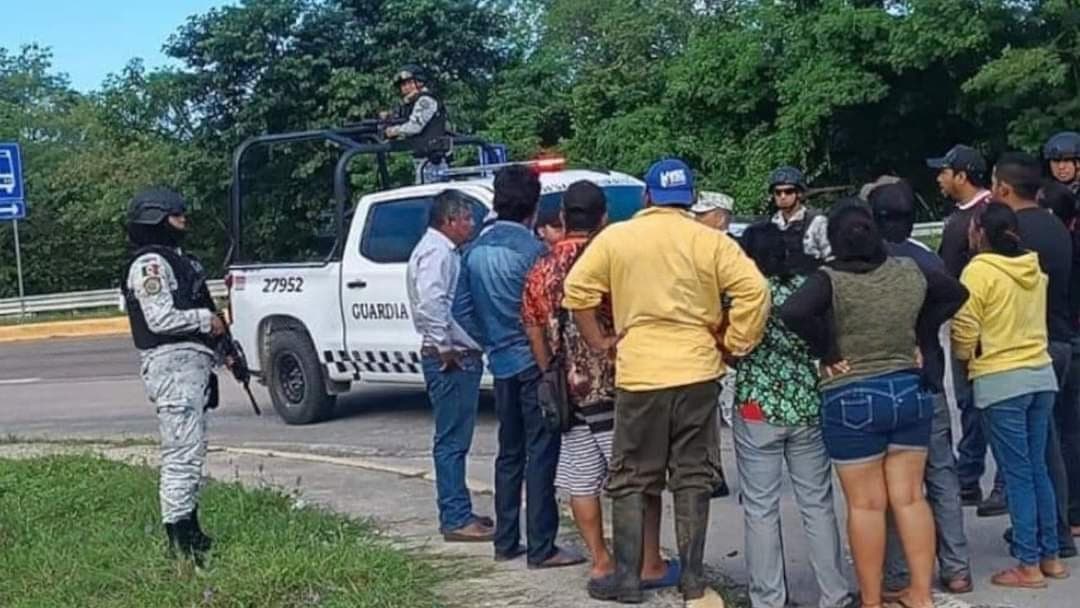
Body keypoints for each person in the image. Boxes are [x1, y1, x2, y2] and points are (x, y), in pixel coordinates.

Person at [564, 158, 770, 607]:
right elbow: (755, 291)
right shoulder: (710, 241)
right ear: (690, 199)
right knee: (692, 476)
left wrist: (599, 341)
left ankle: (627, 578)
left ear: (647, 197)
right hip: (698, 371)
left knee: (631, 477)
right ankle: (693, 581)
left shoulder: (617, 238)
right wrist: (735, 342)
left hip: (641, 373)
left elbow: (576, 291)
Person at [779, 199, 968, 608]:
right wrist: (923, 335)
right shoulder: (909, 270)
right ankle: (921, 594)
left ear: (834, 240)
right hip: (909, 390)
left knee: (866, 505)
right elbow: (956, 292)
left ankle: (871, 600)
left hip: (851, 395)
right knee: (911, 497)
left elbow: (792, 311)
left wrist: (827, 351)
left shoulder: (829, 280)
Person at [521, 180, 678, 591]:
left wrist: (552, 372)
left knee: (581, 480)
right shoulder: (611, 259)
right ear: (604, 217)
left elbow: (533, 328)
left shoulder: (540, 269)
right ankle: (649, 563)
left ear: (562, 217)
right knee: (638, 478)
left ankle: (601, 561)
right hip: (616, 385)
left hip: (568, 390)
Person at [457, 165, 584, 568]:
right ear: (533, 206)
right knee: (541, 453)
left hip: (501, 362)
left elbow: (460, 308)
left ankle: (506, 540)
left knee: (509, 454)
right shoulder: (534, 253)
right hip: (534, 360)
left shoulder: (473, 250)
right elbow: (549, 311)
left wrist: (490, 339)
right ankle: (543, 546)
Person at [732, 222, 854, 608]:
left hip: (756, 406)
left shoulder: (745, 294)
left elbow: (733, 348)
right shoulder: (805, 289)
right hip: (805, 403)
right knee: (817, 503)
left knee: (760, 507)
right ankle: (834, 593)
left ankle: (769, 597)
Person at [951, 202, 1070, 587]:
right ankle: (1051, 556)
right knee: (1038, 470)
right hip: (1040, 374)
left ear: (980, 233)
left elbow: (964, 328)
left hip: (1001, 380)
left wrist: (965, 358)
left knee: (1017, 474)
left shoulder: (979, 271)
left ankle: (1028, 563)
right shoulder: (1032, 267)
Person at [869, 183, 975, 596]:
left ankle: (898, 572)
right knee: (942, 474)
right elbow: (956, 296)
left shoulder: (867, 263)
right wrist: (927, 327)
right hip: (928, 374)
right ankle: (957, 566)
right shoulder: (927, 259)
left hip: (885, 380)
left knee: (895, 482)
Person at [122, 188, 227, 569]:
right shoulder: (150, 264)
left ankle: (191, 529)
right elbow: (160, 318)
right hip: (172, 367)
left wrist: (224, 346)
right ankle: (180, 542)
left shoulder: (179, 261)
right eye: (177, 215)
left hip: (190, 367)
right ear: (156, 219)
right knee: (181, 454)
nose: (184, 221)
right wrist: (206, 321)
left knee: (191, 451)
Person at [992, 153, 1078, 558]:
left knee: (1035, 452)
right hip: (1061, 336)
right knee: (1056, 440)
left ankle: (1047, 534)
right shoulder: (1057, 226)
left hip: (1028, 344)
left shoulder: (1013, 233)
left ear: (1005, 188)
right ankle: (1058, 525)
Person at [405, 190, 493, 542]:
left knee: (455, 440)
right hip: (451, 359)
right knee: (452, 442)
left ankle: (459, 510)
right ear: (449, 221)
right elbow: (431, 302)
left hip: (454, 354)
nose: (471, 225)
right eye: (467, 218)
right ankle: (455, 517)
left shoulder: (441, 250)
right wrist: (445, 348)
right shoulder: (437, 253)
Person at [925, 144, 999, 513]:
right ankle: (969, 475)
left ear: (961, 175)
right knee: (973, 404)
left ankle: (978, 477)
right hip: (980, 318)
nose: (939, 178)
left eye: (944, 171)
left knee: (979, 402)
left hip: (978, 320)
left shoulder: (977, 217)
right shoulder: (975, 212)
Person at [1039, 181, 1080, 538]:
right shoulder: (1069, 245)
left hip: (1056, 339)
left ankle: (1061, 518)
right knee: (1071, 429)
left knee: (1051, 435)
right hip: (1071, 340)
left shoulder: (1048, 253)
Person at [383, 64, 450, 184]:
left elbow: (414, 127)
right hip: (423, 160)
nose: (405, 88)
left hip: (432, 162)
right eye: (403, 85)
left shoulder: (426, 100)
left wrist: (393, 131)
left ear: (419, 82)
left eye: (409, 83)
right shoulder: (412, 103)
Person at [767, 166, 830, 270]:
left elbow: (832, 259)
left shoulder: (817, 222)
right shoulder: (770, 225)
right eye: (778, 192)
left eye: (788, 191)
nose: (783, 196)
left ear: (799, 193)